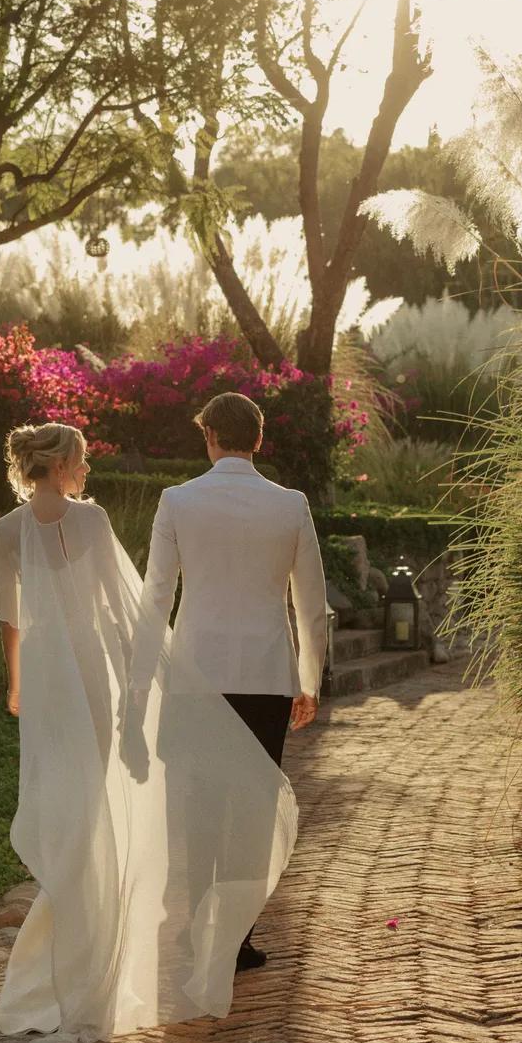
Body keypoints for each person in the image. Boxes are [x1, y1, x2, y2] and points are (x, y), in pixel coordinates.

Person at [0, 421, 297, 1043]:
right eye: (82, 460)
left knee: (64, 803)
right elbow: (121, 609)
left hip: (47, 677)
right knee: (96, 803)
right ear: (61, 462)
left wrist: (17, 685)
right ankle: (90, 946)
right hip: (90, 673)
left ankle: (67, 942)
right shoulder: (93, 522)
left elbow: (10, 623)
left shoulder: (8, 531)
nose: (87, 471)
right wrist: (138, 687)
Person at [130, 391, 327, 968]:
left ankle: (198, 929)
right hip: (266, 676)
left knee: (199, 806)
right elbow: (310, 603)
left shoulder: (178, 500)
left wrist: (142, 680)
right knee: (252, 809)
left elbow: (156, 597)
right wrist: (309, 679)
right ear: (259, 439)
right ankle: (236, 939)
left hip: (195, 675)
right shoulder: (290, 504)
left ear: (210, 437)